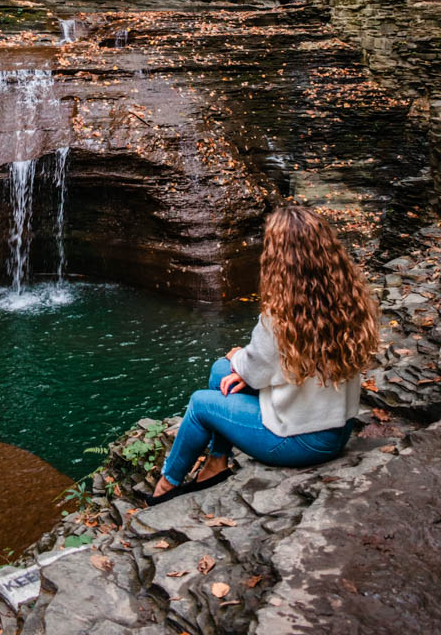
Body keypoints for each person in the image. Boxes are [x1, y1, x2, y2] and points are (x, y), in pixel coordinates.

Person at [148, 205, 380, 504]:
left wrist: (237, 356)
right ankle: (217, 461)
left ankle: (167, 485)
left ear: (279, 257)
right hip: (337, 428)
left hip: (300, 441)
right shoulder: (347, 296)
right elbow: (261, 366)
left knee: (201, 404)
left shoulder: (282, 314)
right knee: (222, 372)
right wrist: (238, 363)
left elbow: (254, 370)